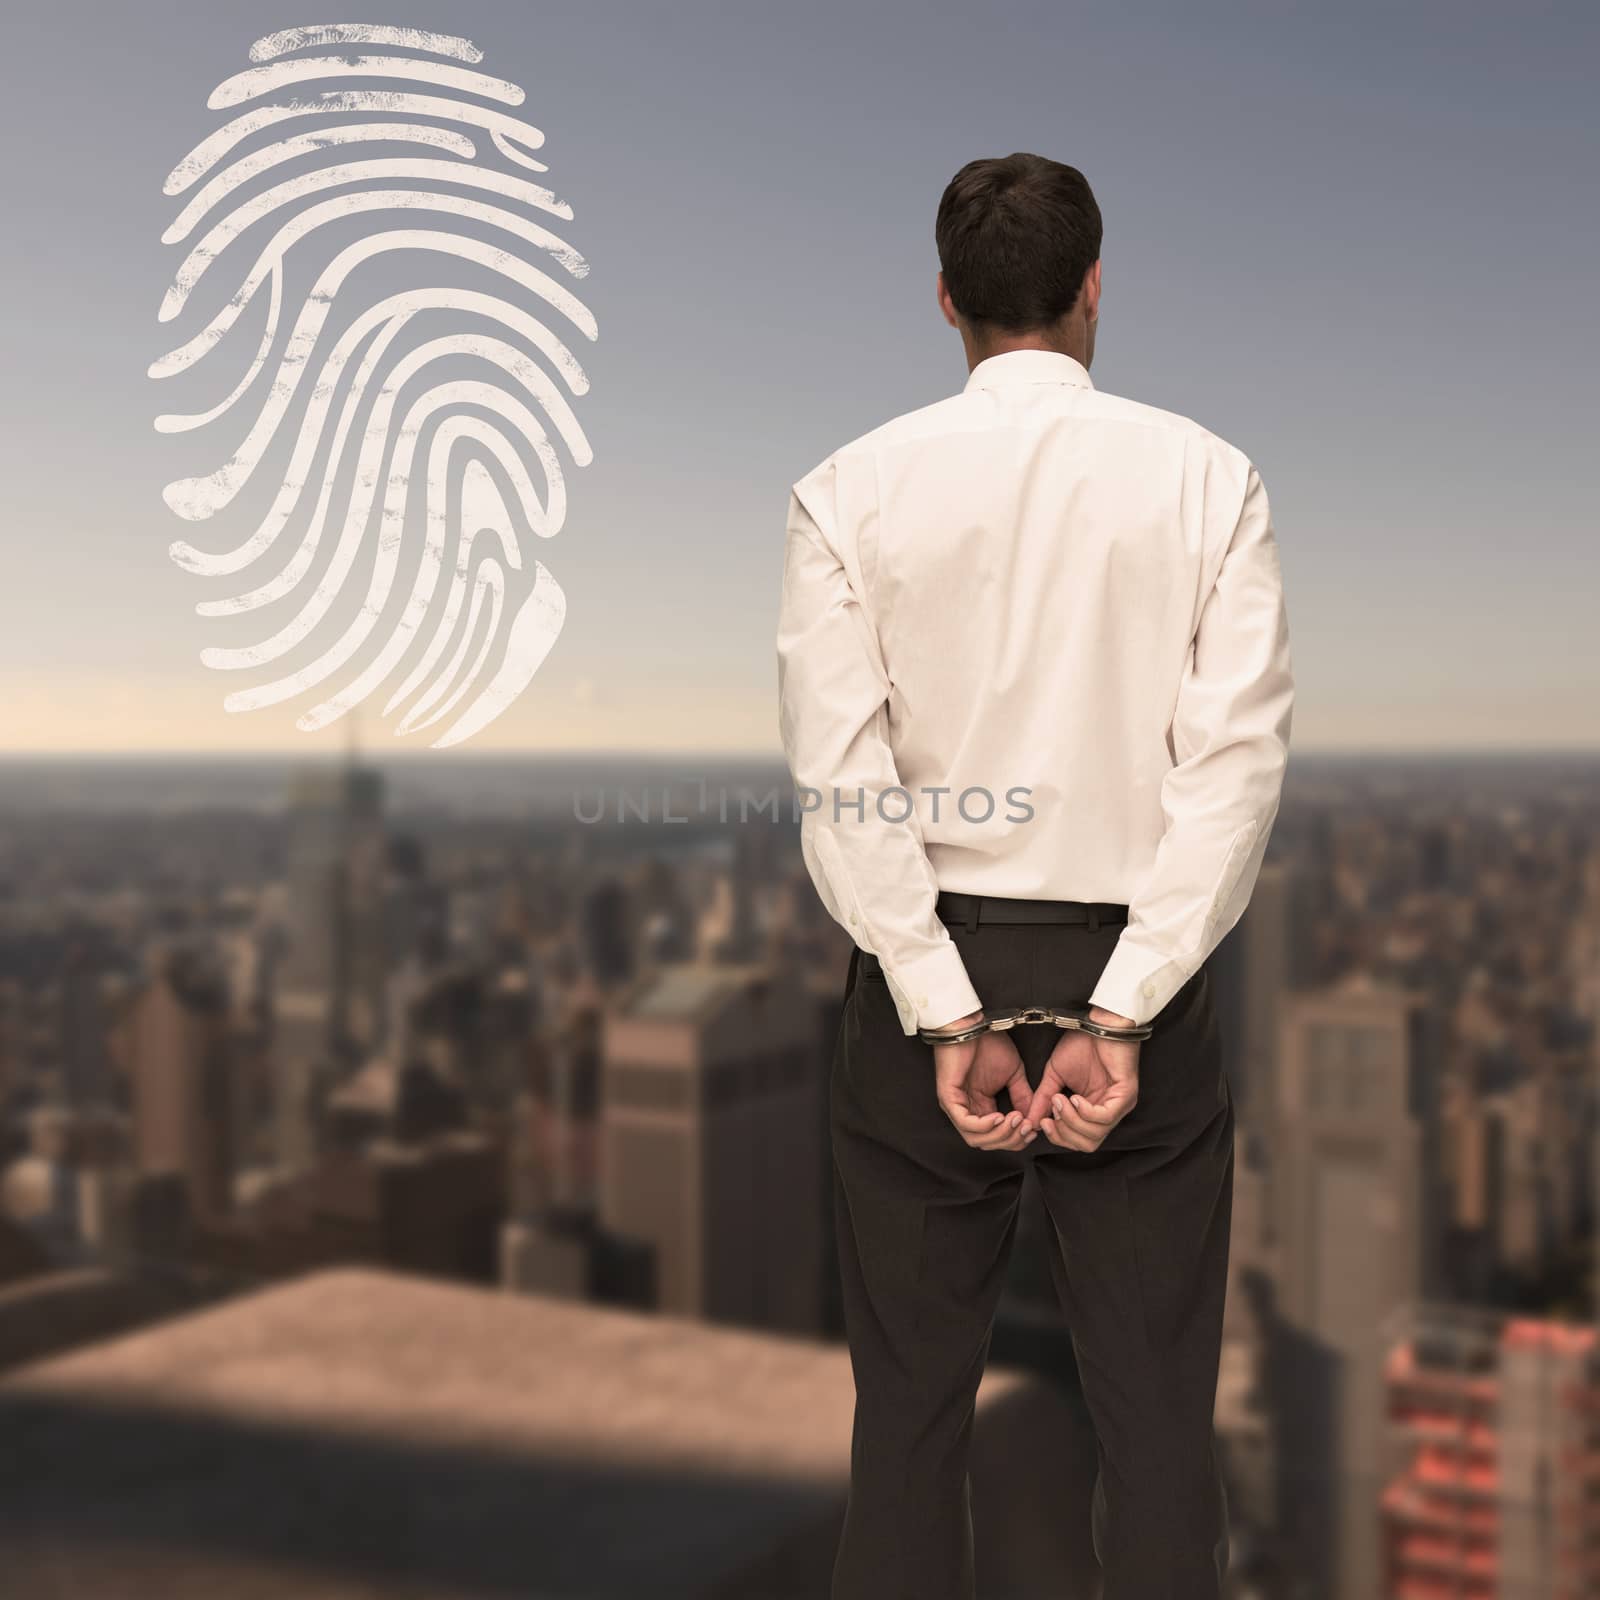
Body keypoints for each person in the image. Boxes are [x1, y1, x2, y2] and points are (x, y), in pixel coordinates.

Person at [775, 152, 1294, 1599]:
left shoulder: (844, 494)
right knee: (1157, 1436)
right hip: (1144, 981)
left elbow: (843, 784)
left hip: (922, 980)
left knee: (909, 1431)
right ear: (1096, 289)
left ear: (944, 300)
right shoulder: (1211, 480)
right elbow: (1234, 772)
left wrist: (945, 1011)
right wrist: (1121, 1011)